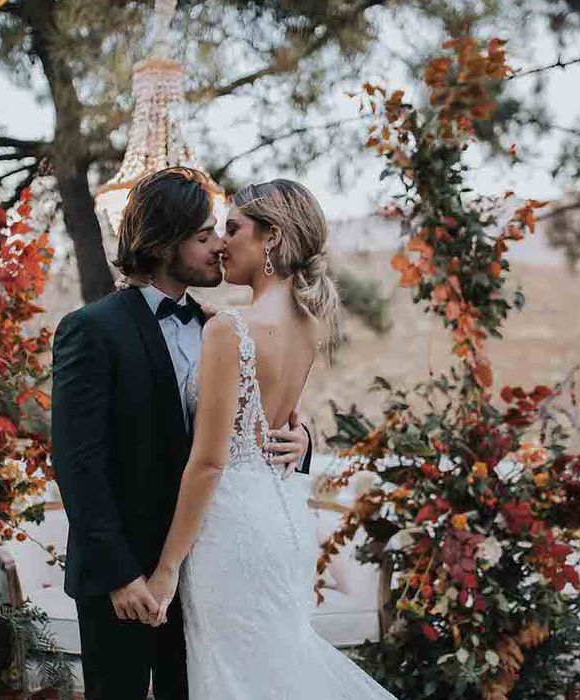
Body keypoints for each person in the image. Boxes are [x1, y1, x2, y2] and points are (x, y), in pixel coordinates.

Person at [50, 167, 312, 700]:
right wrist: (121, 575)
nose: (219, 245)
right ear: (162, 244)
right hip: (124, 576)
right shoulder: (92, 329)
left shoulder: (222, 328)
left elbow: (249, 429)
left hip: (207, 568)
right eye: (203, 236)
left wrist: (303, 442)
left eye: (222, 231)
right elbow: (79, 463)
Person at [146, 179, 399, 699]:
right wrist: (302, 437)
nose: (222, 242)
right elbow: (275, 422)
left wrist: (166, 568)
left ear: (272, 239)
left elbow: (210, 463)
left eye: (234, 228)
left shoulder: (230, 329)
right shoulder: (308, 324)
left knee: (238, 679)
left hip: (231, 529)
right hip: (284, 519)